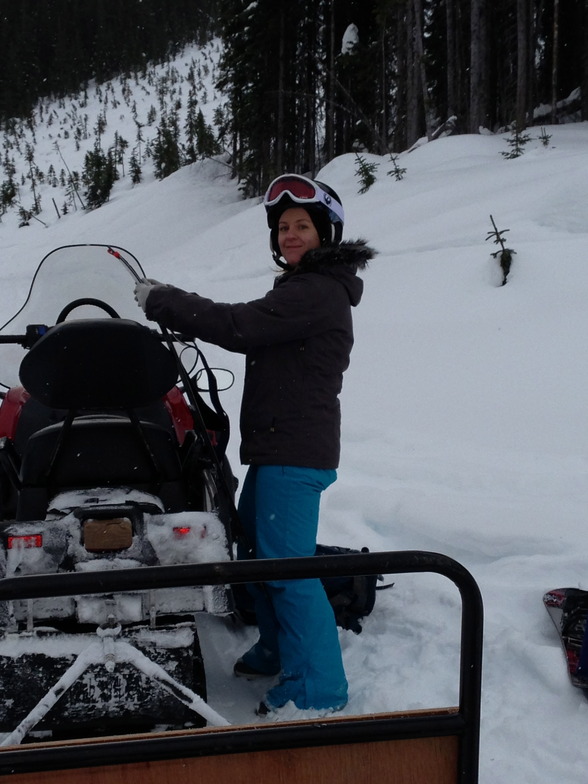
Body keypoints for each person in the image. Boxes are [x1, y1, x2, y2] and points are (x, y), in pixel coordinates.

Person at [134, 173, 375, 715]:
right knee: (260, 560)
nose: (291, 235)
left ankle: (319, 689)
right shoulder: (300, 287)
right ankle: (275, 648)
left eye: (302, 226)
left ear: (326, 233)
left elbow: (238, 326)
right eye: (284, 226)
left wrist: (166, 301)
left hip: (295, 453)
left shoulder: (317, 290)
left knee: (289, 570)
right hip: (275, 449)